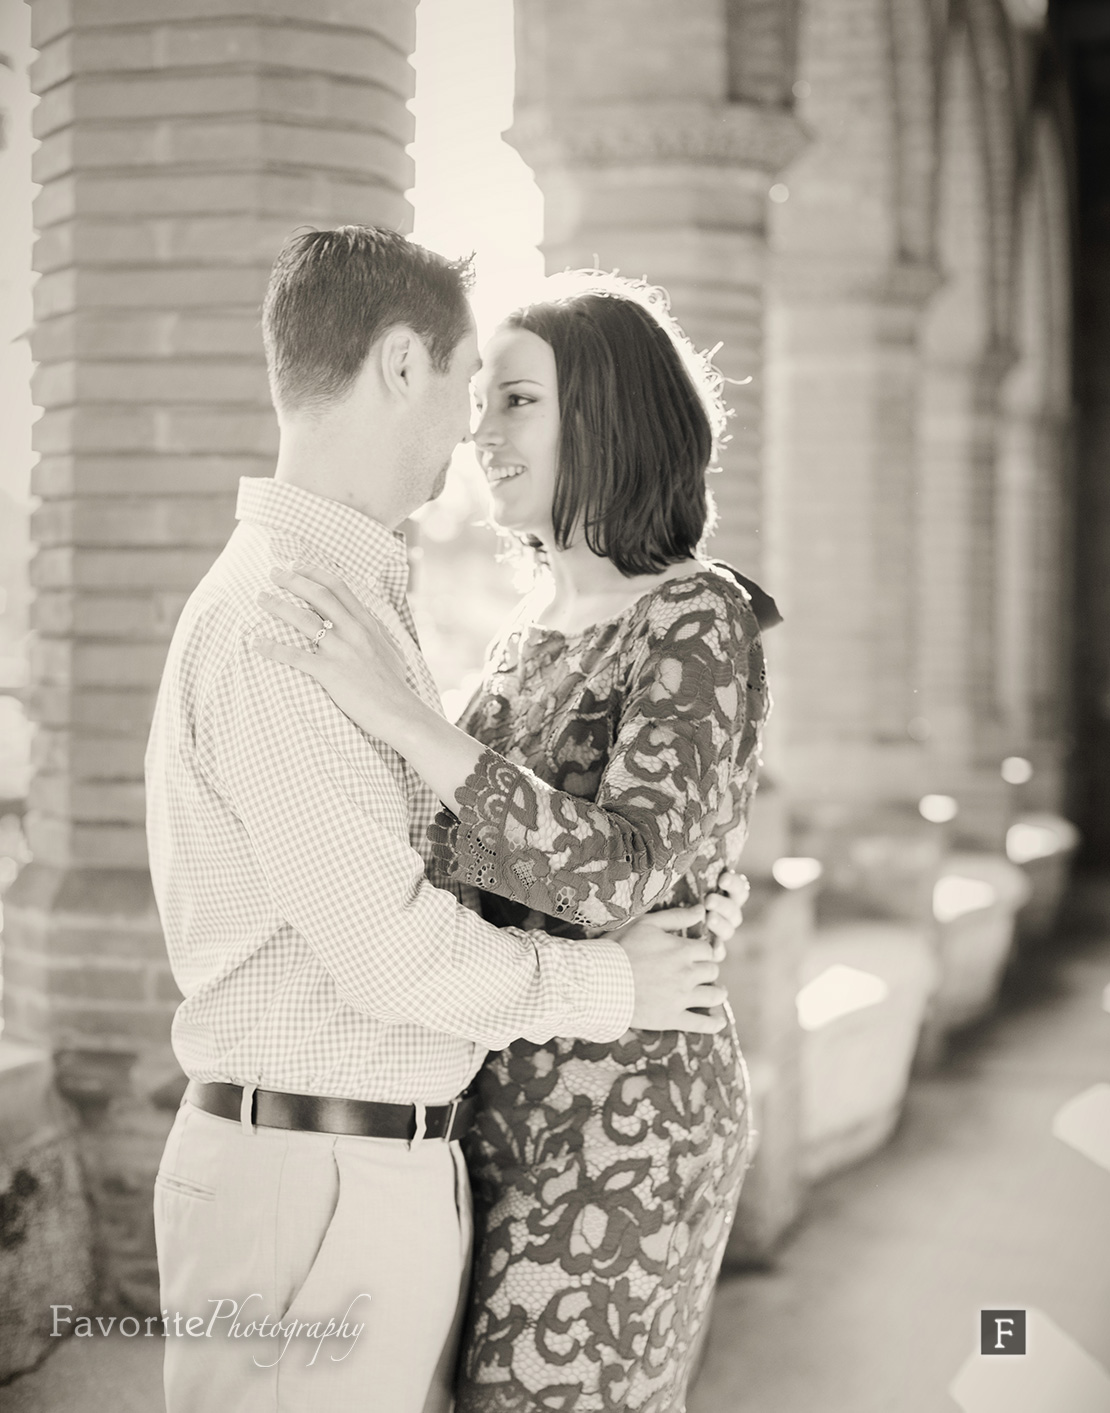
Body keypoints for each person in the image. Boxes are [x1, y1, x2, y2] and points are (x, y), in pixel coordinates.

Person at [145, 231, 742, 1413]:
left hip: (448, 1156)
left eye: (510, 398)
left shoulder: (365, 611)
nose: (475, 431)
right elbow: (396, 941)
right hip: (332, 1172)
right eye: (477, 390)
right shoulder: (294, 620)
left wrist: (685, 896)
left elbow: (580, 855)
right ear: (402, 365)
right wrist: (614, 982)